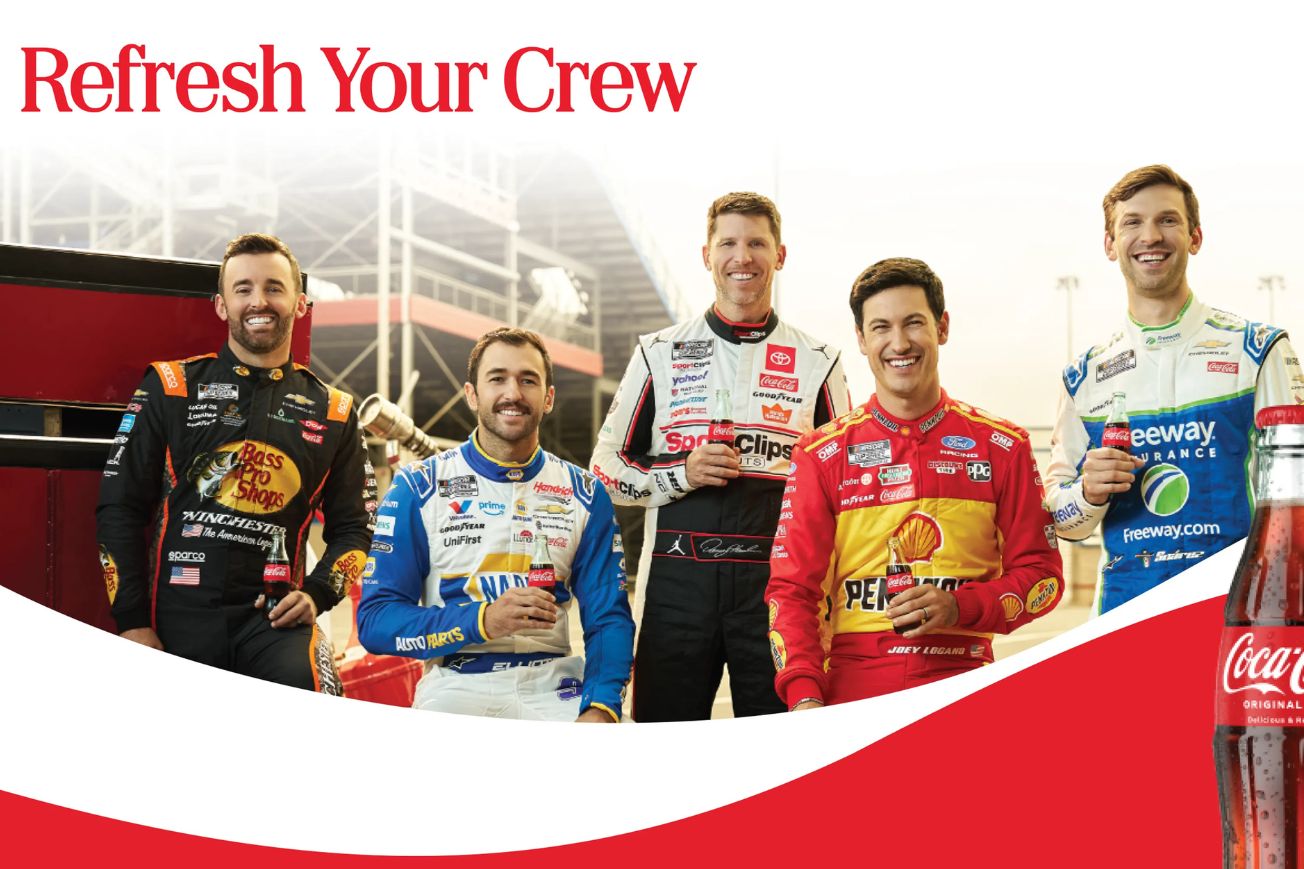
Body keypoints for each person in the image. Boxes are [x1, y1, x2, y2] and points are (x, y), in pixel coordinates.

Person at [590, 192, 851, 721]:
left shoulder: (820, 361)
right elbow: (604, 471)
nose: (742, 257)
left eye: (757, 242)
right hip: (675, 590)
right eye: (728, 243)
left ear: (780, 255)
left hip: (779, 595)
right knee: (665, 747)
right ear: (706, 254)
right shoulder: (657, 352)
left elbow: (845, 493)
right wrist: (678, 474)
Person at [765, 258, 1064, 708]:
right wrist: (805, 696)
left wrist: (959, 607)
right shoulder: (819, 455)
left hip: (967, 682)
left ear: (942, 328)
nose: (899, 342)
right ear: (862, 340)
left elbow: (1043, 579)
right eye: (881, 327)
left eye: (914, 323)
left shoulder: (1003, 445)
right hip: (853, 691)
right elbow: (792, 592)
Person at [96, 233, 377, 693]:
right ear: (222, 305)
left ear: (300, 304)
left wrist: (318, 593)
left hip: (274, 622)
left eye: (273, 287)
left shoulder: (335, 412)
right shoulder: (171, 386)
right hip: (178, 617)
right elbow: (119, 509)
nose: (258, 301)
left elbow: (357, 528)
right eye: (243, 289)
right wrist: (131, 624)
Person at [1045, 165, 1304, 614]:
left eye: (1168, 220)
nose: (1151, 236)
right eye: (1132, 222)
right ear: (1110, 244)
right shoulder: (1083, 377)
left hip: (1240, 611)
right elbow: (1062, 523)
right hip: (1126, 617)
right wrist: (1088, 492)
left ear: (1195, 237)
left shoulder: (1258, 350)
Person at [357, 328, 634, 722]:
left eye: (528, 380)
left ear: (548, 397)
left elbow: (609, 618)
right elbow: (376, 622)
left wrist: (601, 707)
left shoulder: (585, 494)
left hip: (556, 685)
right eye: (497, 378)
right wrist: (484, 620)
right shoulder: (417, 488)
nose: (513, 393)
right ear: (472, 394)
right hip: (457, 685)